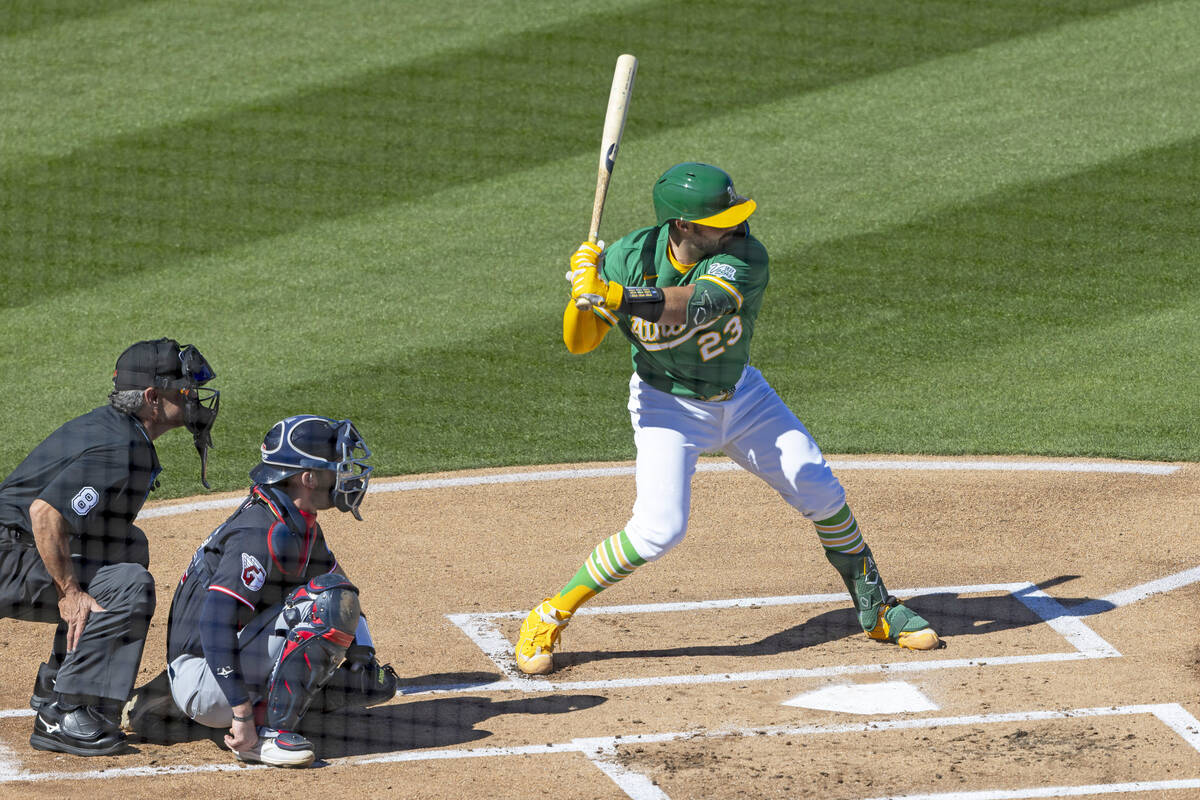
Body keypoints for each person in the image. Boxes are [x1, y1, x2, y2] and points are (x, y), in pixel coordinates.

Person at [515, 162, 940, 676]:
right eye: (723, 218)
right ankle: (550, 613)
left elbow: (699, 305)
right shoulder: (628, 258)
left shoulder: (745, 255)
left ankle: (877, 608)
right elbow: (579, 343)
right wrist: (584, 295)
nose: (737, 224)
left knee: (818, 486)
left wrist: (613, 296)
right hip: (666, 405)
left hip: (742, 397)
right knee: (658, 530)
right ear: (684, 226)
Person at [0, 338, 219, 755]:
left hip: (11, 550)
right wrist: (70, 592)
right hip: (7, 556)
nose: (193, 399)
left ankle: (57, 682)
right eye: (183, 390)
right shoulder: (122, 447)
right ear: (153, 398)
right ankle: (66, 712)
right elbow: (46, 514)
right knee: (129, 584)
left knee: (125, 544)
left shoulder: (118, 429)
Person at [139, 415, 396, 768]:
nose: (346, 473)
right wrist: (242, 716)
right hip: (203, 680)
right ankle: (265, 735)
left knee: (335, 597)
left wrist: (363, 659)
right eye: (336, 465)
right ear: (308, 478)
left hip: (219, 667)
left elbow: (344, 588)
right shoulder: (259, 534)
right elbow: (215, 624)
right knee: (324, 606)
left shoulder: (295, 520)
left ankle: (234, 708)